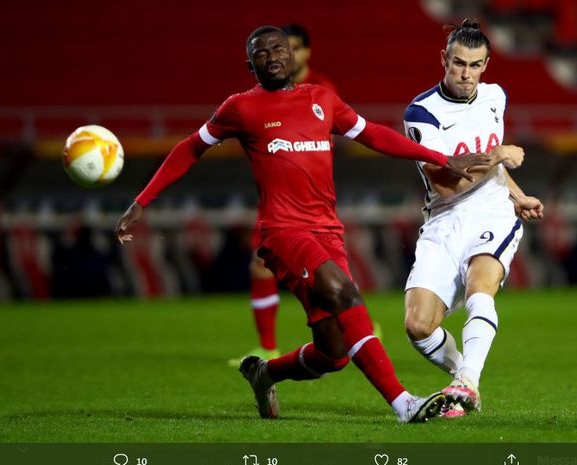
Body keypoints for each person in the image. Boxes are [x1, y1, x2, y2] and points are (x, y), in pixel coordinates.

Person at [115, 25, 500, 423]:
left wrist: (440, 158)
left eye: (279, 48)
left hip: (327, 231)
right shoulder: (240, 108)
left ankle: (265, 373)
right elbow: (189, 148)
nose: (273, 56)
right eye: (261, 53)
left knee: (333, 353)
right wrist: (142, 201)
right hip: (283, 232)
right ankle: (404, 404)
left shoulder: (322, 100)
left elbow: (374, 136)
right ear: (251, 65)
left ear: (294, 55)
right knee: (345, 292)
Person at [401, 18, 543, 418]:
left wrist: (516, 195)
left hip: (493, 211)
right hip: (444, 218)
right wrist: (497, 156)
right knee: (418, 325)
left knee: (481, 286)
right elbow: (446, 186)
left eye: (475, 65)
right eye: (459, 63)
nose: (466, 74)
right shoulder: (421, 114)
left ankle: (467, 385)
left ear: (487, 64)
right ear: (443, 59)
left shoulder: (495, 96)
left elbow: (492, 163)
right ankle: (466, 372)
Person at [228, 23, 339, 368]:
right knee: (260, 267)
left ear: (302, 53)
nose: (277, 56)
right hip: (278, 206)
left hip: (313, 201)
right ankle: (268, 347)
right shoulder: (253, 101)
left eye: (289, 48)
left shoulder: (320, 90)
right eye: (268, 51)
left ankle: (351, 321)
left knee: (333, 282)